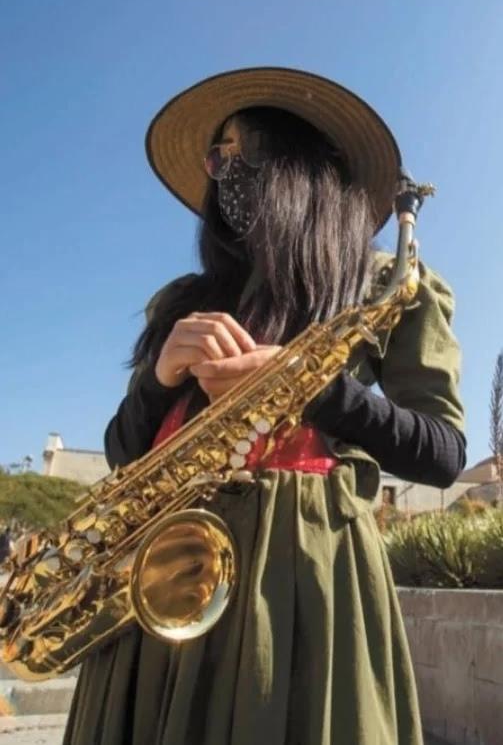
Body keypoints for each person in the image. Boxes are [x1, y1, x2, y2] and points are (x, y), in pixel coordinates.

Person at [64, 68, 466, 745]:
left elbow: (443, 453)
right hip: (157, 570)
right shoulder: (183, 299)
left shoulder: (386, 283)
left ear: (300, 163)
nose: (221, 169)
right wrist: (158, 379)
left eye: (239, 149)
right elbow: (122, 452)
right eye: (214, 156)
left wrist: (312, 385)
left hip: (297, 582)